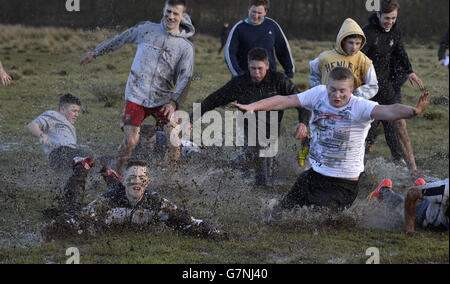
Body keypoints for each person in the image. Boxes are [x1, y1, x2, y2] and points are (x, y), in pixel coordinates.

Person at [232, 67, 432, 215]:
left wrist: (412, 111)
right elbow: (285, 100)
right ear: (327, 87)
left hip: (343, 185)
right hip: (312, 176)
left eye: (342, 91)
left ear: (351, 90)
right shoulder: (318, 94)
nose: (336, 95)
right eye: (333, 90)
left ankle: (382, 194)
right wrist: (253, 107)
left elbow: (389, 110)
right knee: (278, 216)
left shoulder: (360, 106)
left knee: (316, 221)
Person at [80, 0, 195, 175]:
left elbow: (186, 77)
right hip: (136, 95)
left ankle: (170, 179)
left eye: (175, 14)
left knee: (174, 139)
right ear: (163, 10)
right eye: (168, 11)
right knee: (131, 141)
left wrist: (173, 103)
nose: (170, 17)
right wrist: (95, 53)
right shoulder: (146, 30)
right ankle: (115, 175)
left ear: (183, 16)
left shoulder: (185, 47)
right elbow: (121, 39)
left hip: (163, 99)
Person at [190, 47, 310, 186]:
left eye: (260, 68)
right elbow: (213, 99)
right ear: (248, 66)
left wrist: (303, 123)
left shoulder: (279, 80)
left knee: (264, 178)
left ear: (267, 65)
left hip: (271, 128)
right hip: (249, 126)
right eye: (253, 68)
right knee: (257, 156)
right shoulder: (240, 83)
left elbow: (302, 102)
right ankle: (224, 171)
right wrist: (192, 119)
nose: (256, 73)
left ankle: (225, 170)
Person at [44, 158, 226, 240]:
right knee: (70, 208)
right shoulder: (106, 203)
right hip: (110, 196)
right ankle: (81, 167)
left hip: (121, 188)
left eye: (141, 179)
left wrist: (214, 234)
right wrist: (55, 229)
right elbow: (76, 221)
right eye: (132, 178)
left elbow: (189, 223)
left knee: (126, 187)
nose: (137, 182)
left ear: (148, 182)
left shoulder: (157, 203)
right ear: (125, 181)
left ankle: (110, 175)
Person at [362, 0, 424, 177]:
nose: (390, 21)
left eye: (393, 18)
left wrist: (410, 71)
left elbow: (400, 52)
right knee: (367, 131)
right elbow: (357, 60)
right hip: (367, 89)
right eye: (387, 18)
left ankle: (413, 168)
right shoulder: (368, 33)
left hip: (386, 85)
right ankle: (358, 170)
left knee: (400, 123)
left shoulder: (395, 31)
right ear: (379, 15)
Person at [309, 18, 378, 100]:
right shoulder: (325, 58)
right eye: (351, 42)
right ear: (343, 41)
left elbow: (373, 85)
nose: (354, 47)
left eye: (357, 43)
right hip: (327, 103)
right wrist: (321, 92)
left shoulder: (363, 60)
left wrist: (357, 96)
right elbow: (314, 75)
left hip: (351, 106)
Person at [225, 0, 295, 79]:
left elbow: (283, 49)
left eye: (259, 13)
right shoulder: (238, 28)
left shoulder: (272, 26)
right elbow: (229, 54)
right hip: (244, 79)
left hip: (269, 78)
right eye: (253, 12)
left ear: (265, 12)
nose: (255, 15)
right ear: (249, 9)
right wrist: (239, 74)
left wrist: (289, 73)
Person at [27, 93, 88, 172]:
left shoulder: (70, 127)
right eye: (74, 111)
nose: (77, 115)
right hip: (59, 154)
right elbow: (31, 125)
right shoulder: (54, 115)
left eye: (78, 111)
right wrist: (41, 135)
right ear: (62, 110)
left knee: (99, 163)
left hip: (70, 156)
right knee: (87, 159)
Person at [367, 178, 449, 234]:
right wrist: (409, 230)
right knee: (401, 209)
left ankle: (423, 191)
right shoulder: (445, 190)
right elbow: (411, 193)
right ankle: (383, 190)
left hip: (436, 211)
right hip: (423, 214)